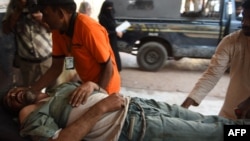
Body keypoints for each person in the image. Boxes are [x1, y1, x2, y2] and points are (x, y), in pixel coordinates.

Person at [2, 81, 250, 141]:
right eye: (9, 100)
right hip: (133, 125)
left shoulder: (58, 88)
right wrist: (100, 106)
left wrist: (92, 84)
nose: (13, 94)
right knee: (213, 133)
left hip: (139, 104)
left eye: (13, 89)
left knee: (210, 121)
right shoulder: (29, 113)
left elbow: (95, 86)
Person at [16, 0, 120, 98]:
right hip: (88, 85)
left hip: (107, 88)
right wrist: (33, 89)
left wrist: (98, 95)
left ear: (61, 14)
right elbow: (56, 67)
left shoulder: (88, 29)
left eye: (46, 14)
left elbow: (108, 67)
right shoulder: (58, 31)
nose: (43, 20)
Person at [181, 0, 250, 120]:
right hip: (231, 115)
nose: (245, 23)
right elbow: (212, 74)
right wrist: (183, 108)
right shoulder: (232, 41)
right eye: (244, 16)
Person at [2, 0, 56, 89]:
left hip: (48, 60)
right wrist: (18, 9)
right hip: (27, 64)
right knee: (28, 94)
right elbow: (6, 30)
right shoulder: (14, 5)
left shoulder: (43, 3)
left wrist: (42, 19)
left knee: (55, 92)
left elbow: (55, 28)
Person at [98, 1, 123, 72]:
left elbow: (113, 26)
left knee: (115, 54)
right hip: (107, 39)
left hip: (113, 39)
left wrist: (119, 30)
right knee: (109, 55)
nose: (110, 9)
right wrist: (116, 32)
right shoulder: (102, 17)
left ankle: (116, 70)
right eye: (108, 7)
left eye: (111, 7)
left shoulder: (111, 14)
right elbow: (105, 31)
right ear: (105, 8)